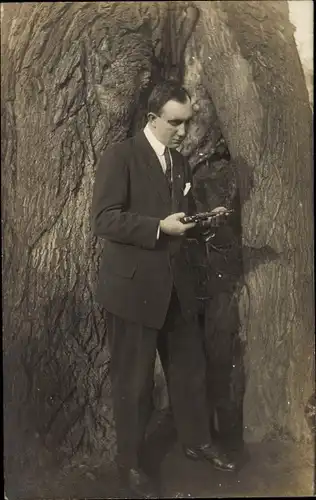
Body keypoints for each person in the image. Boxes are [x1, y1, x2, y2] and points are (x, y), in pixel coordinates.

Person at [91, 80, 236, 498]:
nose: (183, 132)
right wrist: (157, 228)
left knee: (189, 371)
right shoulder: (120, 156)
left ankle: (197, 441)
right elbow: (104, 219)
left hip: (178, 287)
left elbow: (179, 219)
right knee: (133, 383)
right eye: (175, 123)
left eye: (187, 123)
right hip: (133, 291)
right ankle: (130, 463)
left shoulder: (179, 163)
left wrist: (201, 222)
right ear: (152, 118)